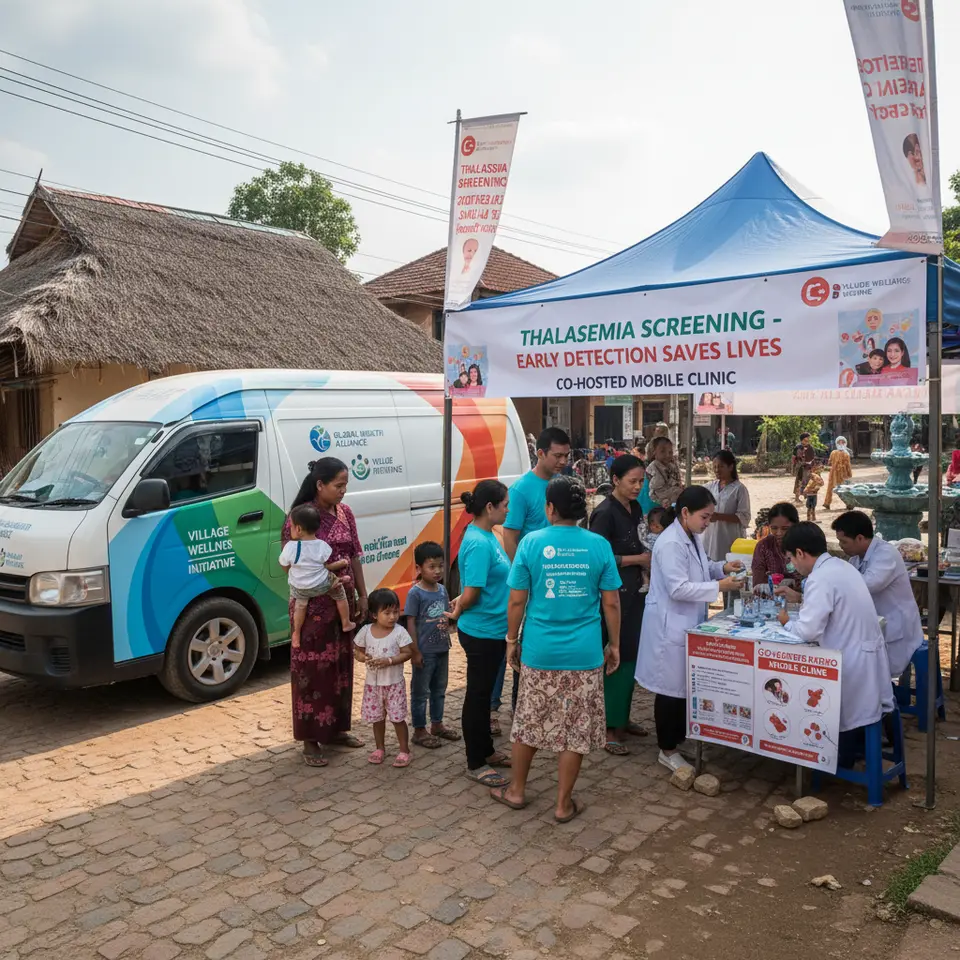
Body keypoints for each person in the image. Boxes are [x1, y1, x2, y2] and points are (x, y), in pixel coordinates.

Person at [490, 476, 621, 822]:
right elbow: (611, 605)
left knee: (528, 722)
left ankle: (516, 790)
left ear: (550, 508)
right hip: (585, 653)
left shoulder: (531, 543)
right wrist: (615, 645)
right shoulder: (599, 546)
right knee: (575, 731)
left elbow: (517, 599)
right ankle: (563, 804)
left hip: (540, 651)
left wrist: (511, 641)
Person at [635, 486, 744, 773]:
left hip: (687, 622)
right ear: (685, 513)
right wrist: (720, 587)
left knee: (684, 687)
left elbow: (703, 566)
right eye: (704, 517)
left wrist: (723, 567)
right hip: (669, 626)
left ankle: (677, 740)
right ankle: (666, 749)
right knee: (670, 690)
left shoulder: (691, 536)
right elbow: (678, 587)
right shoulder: (671, 542)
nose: (708, 523)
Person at [776, 523, 895, 766]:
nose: (792, 565)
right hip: (864, 657)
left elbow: (808, 630)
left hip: (851, 663)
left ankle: (836, 758)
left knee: (812, 697)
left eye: (790, 558)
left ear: (800, 553)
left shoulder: (820, 578)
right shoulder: (841, 566)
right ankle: (847, 752)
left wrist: (787, 623)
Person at [283, 458, 368, 767]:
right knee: (312, 670)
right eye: (338, 486)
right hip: (312, 605)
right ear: (320, 485)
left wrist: (362, 592)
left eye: (346, 486)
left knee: (339, 668)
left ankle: (335, 729)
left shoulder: (345, 513)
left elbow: (355, 555)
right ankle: (310, 738)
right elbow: (291, 562)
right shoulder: (301, 517)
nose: (343, 492)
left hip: (341, 599)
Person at [494, 426, 571, 730]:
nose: (563, 461)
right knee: (524, 648)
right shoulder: (523, 489)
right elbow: (510, 537)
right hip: (532, 583)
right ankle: (520, 710)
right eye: (557, 455)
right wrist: (522, 577)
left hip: (559, 583)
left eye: (567, 455)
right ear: (540, 453)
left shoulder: (564, 484)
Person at [449, 480, 513, 787]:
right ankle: (476, 761)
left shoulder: (487, 535)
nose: (508, 509)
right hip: (481, 632)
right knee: (477, 697)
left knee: (484, 694)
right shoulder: (477, 541)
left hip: (494, 629)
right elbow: (472, 592)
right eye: (505, 505)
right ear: (490, 507)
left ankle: (486, 750)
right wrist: (460, 607)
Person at [589, 455, 652, 753]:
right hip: (613, 597)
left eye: (641, 481)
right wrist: (637, 560)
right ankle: (608, 727)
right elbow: (596, 558)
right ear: (615, 480)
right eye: (633, 481)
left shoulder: (636, 507)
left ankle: (622, 718)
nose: (638, 487)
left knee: (630, 657)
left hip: (636, 593)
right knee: (614, 657)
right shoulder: (603, 514)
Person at [831, 511, 924, 677]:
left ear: (860, 538)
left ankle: (884, 701)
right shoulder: (855, 559)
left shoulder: (885, 554)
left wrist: (837, 574)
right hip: (876, 626)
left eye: (843, 541)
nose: (841, 546)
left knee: (871, 674)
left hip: (897, 629)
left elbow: (867, 586)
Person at [405, 541, 459, 749]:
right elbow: (410, 621)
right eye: (431, 566)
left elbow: (445, 616)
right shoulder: (415, 594)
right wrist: (414, 650)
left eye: (440, 565)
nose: (437, 571)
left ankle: (437, 724)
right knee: (420, 692)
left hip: (442, 649)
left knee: (439, 688)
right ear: (419, 569)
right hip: (424, 652)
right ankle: (419, 730)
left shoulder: (443, 590)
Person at [279, 503, 355, 646]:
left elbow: (283, 563)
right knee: (339, 593)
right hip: (321, 585)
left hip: (300, 587)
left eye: (291, 525)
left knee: (300, 606)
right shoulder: (322, 545)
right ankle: (346, 622)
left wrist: (291, 572)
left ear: (299, 529)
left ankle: (296, 634)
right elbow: (324, 565)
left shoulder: (290, 547)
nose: (290, 528)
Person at [354, 588, 413, 768]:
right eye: (387, 613)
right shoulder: (365, 631)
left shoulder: (399, 632)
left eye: (395, 611)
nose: (392, 617)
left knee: (397, 718)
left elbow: (407, 652)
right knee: (377, 718)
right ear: (374, 614)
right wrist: (363, 658)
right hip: (373, 685)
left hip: (394, 684)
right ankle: (380, 748)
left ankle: (404, 750)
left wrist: (389, 660)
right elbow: (357, 650)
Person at [703, 450, 751, 563]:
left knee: (729, 567)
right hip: (710, 538)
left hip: (729, 537)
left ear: (730, 467)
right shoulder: (711, 486)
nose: (716, 470)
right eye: (714, 466)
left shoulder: (739, 489)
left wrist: (719, 517)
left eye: (721, 466)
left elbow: (744, 517)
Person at [752, 501, 800, 591]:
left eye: (785, 528)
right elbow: (758, 582)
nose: (779, 533)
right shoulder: (763, 546)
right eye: (774, 528)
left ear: (796, 525)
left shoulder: (805, 545)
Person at [646, 436, 683, 508]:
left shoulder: (672, 466)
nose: (667, 455)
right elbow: (657, 490)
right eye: (663, 451)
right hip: (659, 504)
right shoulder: (653, 467)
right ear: (654, 452)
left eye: (670, 452)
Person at [823, 436, 853, 511]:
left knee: (844, 489)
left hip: (843, 474)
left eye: (843, 442)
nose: (841, 443)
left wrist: (849, 474)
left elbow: (848, 465)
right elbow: (829, 462)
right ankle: (827, 503)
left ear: (845, 443)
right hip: (833, 473)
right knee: (830, 489)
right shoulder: (833, 453)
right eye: (839, 442)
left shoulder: (847, 454)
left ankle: (849, 504)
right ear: (836, 443)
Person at [792, 433, 815, 503]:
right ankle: (797, 497)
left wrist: (810, 462)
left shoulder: (809, 447)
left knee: (808, 481)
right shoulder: (798, 447)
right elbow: (797, 457)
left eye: (808, 438)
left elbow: (812, 455)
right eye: (806, 438)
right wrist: (803, 461)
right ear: (802, 439)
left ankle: (806, 496)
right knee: (799, 482)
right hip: (800, 467)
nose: (808, 439)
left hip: (808, 467)